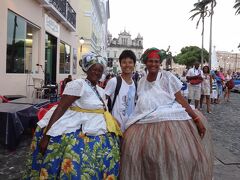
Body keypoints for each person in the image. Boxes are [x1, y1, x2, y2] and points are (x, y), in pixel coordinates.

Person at [23, 52, 121, 179]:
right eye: (93, 69)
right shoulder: (78, 84)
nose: (96, 72)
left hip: (97, 129)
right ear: (87, 69)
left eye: (99, 70)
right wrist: (47, 136)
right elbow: (61, 107)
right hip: (76, 130)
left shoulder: (100, 90)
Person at [120, 48, 213, 180]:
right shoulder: (141, 82)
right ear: (146, 63)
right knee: (148, 160)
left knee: (174, 159)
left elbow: (181, 100)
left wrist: (196, 118)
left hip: (170, 124)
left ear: (160, 63)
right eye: (151, 61)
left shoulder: (167, 77)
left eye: (156, 61)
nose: (153, 64)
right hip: (144, 124)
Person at [105, 50, 137, 132]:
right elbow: (102, 102)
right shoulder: (114, 81)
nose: (127, 65)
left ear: (134, 64)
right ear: (120, 64)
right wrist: (111, 119)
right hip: (115, 128)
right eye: (124, 62)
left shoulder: (135, 85)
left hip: (130, 128)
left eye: (130, 62)